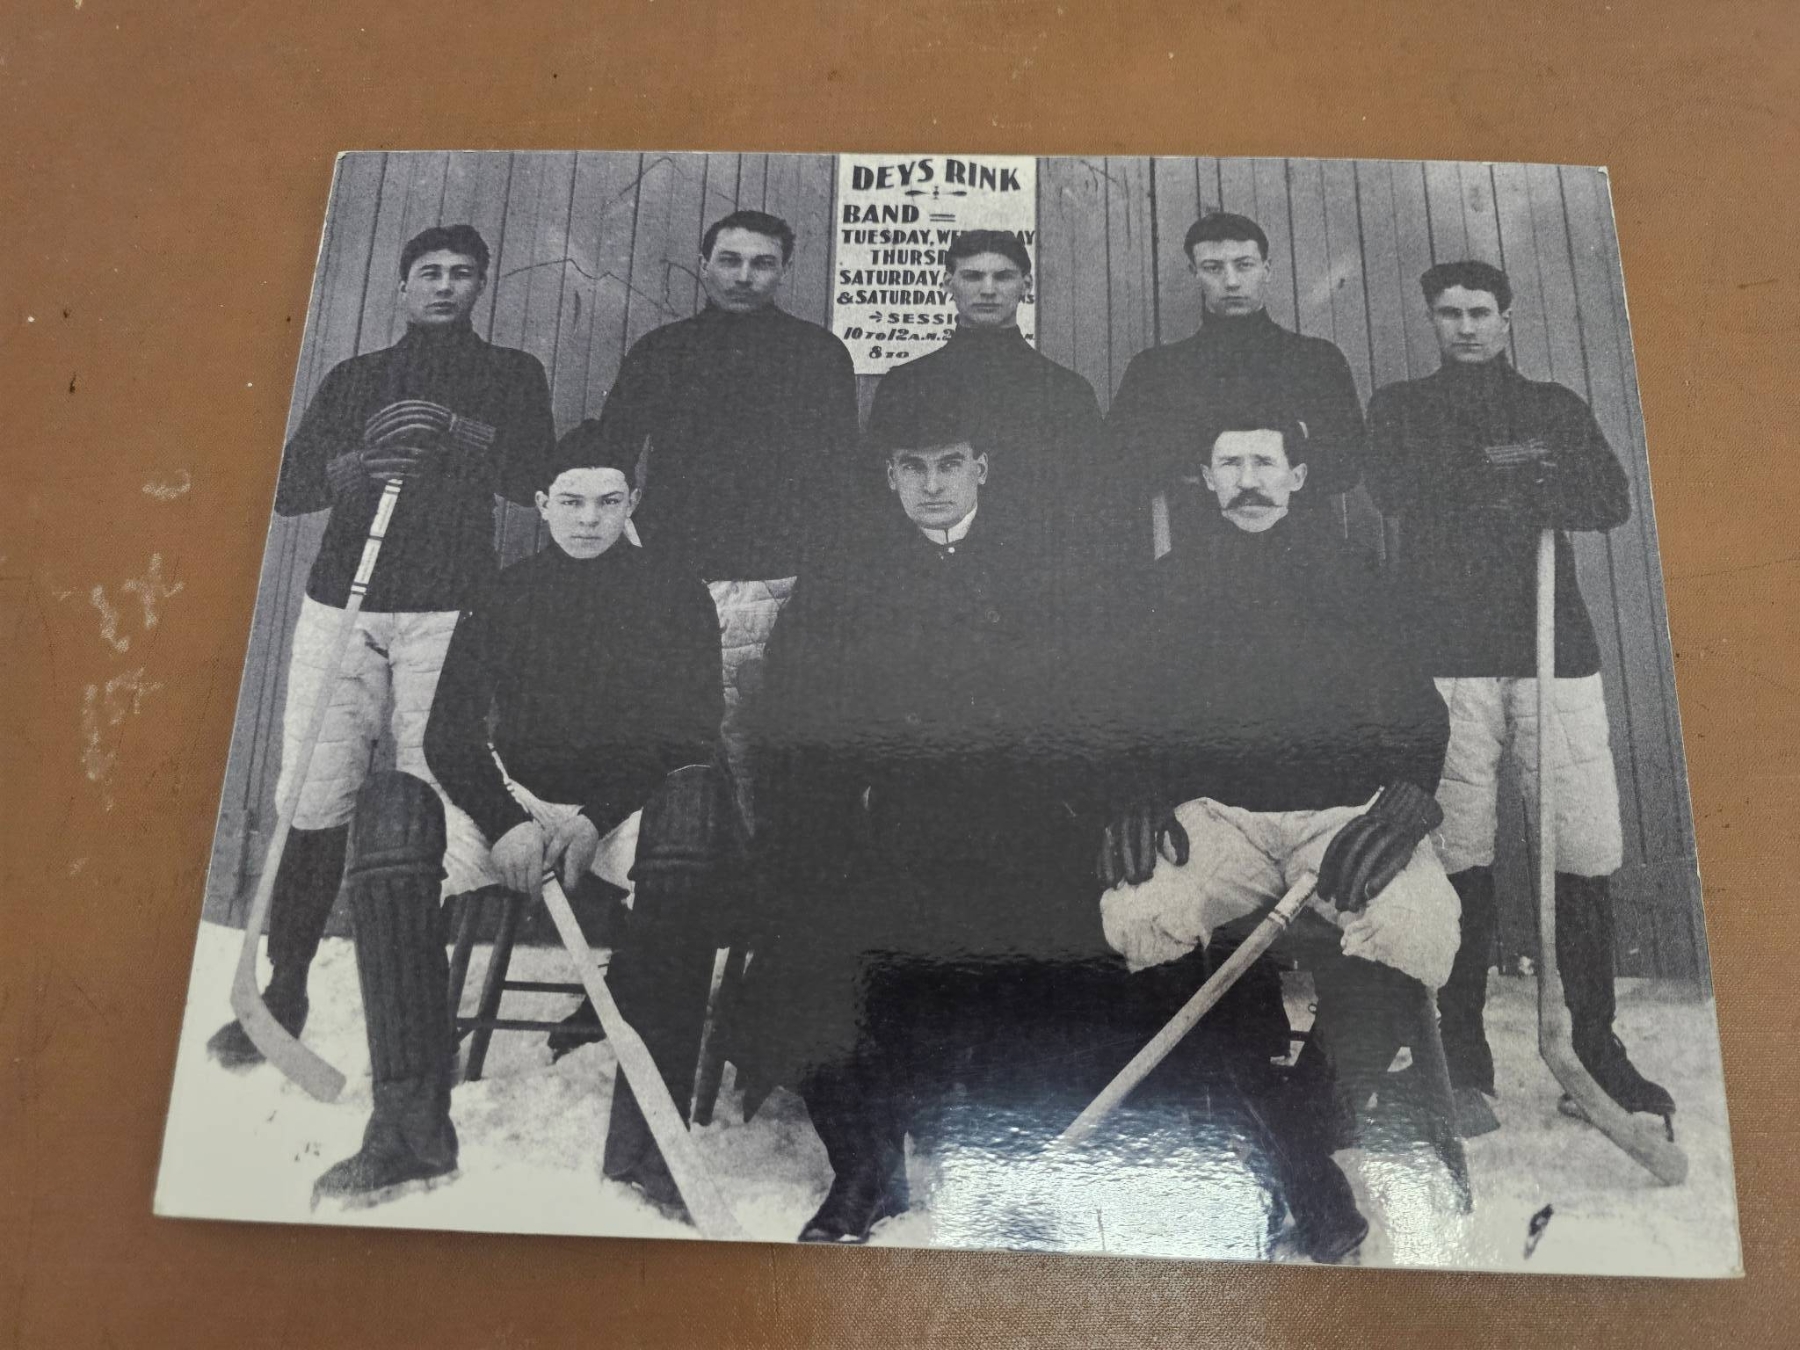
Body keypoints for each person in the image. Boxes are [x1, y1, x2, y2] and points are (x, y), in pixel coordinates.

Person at [728, 403, 1114, 1245]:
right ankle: (865, 1165)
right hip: (879, 818)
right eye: (913, 467)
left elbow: (1082, 710)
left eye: (949, 465)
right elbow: (794, 716)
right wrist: (826, 818)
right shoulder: (846, 576)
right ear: (890, 476)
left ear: (982, 468)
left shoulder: (1041, 567)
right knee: (811, 951)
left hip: (1010, 822)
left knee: (1048, 955)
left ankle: (1008, 1158)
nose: (932, 485)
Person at [310, 423, 724, 1206]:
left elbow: (690, 732)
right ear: (541, 503)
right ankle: (407, 1136)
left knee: (693, 821)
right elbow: (447, 734)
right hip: (520, 800)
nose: (589, 518)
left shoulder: (675, 591)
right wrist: (504, 821)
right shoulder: (503, 593)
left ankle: (649, 1150)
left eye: (608, 501)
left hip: (628, 805)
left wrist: (596, 818)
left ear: (632, 501)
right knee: (392, 813)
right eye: (571, 501)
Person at [1095, 411, 1460, 1263]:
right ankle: (1296, 1157)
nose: (1248, 480)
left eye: (1265, 462)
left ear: (1299, 477)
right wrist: (1131, 791)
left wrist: (1406, 801)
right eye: (1230, 464)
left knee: (1414, 927)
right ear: (1206, 479)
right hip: (1219, 814)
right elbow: (1120, 710)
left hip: (1343, 816)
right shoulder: (1165, 584)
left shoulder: (1358, 576)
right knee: (1142, 916)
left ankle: (1299, 1120)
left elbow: (1419, 708)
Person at [207, 224, 555, 1070]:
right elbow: (288, 489)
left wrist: (468, 436)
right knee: (314, 791)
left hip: (450, 607)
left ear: (481, 286)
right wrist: (355, 465)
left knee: (434, 797)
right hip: (345, 602)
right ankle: (285, 986)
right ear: (402, 287)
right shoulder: (357, 376)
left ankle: (414, 995)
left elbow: (536, 480)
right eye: (429, 272)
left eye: (462, 273)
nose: (444, 286)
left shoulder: (510, 373)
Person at [1365, 259, 1674, 1132]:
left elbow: (1608, 498)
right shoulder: (1402, 407)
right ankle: (1462, 1056)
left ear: (1506, 318)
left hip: (1552, 654)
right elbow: (1394, 489)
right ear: (1432, 321)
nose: (1465, 327)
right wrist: (1519, 480)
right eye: (1449, 313)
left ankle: (1594, 1049)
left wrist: (1499, 482)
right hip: (1448, 655)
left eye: (1480, 312)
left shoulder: (1552, 406)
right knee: (1455, 849)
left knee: (1582, 846)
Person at [593, 208, 860, 822]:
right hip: (673, 575)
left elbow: (839, 476)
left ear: (784, 270)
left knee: (756, 744)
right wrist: (630, 557)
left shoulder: (818, 353)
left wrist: (819, 579)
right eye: (730, 261)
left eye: (762, 263)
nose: (744, 276)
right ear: (704, 264)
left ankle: (752, 866)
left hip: (777, 579)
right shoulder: (661, 350)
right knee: (667, 734)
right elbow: (611, 458)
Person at [1107, 211, 1365, 556]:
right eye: (1213, 267)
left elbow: (1347, 465)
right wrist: (1290, 438)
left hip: (1301, 555)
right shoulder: (1155, 370)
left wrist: (1198, 446)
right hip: (1198, 555)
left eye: (1244, 265)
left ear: (1266, 269)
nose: (1231, 281)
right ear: (1194, 272)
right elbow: (1122, 464)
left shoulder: (1317, 360)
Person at [864, 228, 1106, 585]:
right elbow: (878, 498)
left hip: (1037, 583)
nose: (988, 289)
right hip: (928, 584)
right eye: (973, 276)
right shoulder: (907, 383)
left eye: (1003, 276)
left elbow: (1090, 504)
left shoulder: (1066, 390)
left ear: (1026, 284)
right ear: (948, 283)